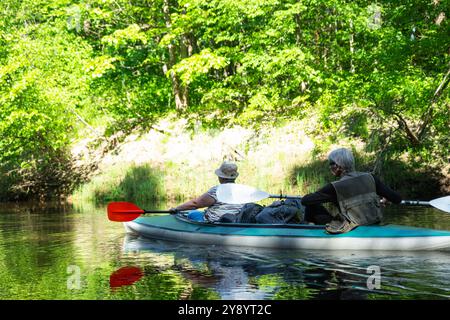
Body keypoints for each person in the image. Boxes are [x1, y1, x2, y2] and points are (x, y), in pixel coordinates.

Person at [301, 148, 402, 234]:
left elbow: (305, 200)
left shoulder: (333, 187)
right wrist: (385, 198)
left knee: (312, 205)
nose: (329, 167)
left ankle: (309, 232)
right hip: (373, 223)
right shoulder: (371, 178)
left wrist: (320, 194)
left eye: (331, 164)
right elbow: (397, 199)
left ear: (338, 166)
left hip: (351, 228)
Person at [170, 161, 244, 223]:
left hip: (215, 221)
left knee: (192, 214)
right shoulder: (241, 190)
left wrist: (176, 209)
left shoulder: (217, 190)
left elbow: (195, 204)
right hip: (233, 221)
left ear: (221, 177)